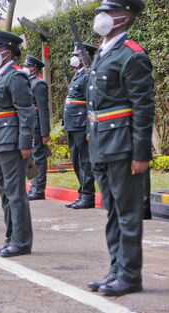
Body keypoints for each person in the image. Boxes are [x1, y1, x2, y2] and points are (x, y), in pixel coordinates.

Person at [86, 0, 154, 296]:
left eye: (108, 12)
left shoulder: (131, 54)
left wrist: (141, 154)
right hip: (103, 142)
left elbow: (143, 107)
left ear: (123, 17)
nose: (101, 17)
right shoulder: (105, 51)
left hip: (123, 145)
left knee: (127, 212)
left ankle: (130, 275)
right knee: (113, 210)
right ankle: (116, 270)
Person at [0, 30, 35, 257]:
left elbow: (26, 112)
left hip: (11, 141)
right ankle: (11, 237)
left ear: (8, 52)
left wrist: (25, 143)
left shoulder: (16, 76)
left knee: (15, 193)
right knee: (5, 193)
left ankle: (21, 241)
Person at [63, 42, 98, 209]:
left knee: (85, 162)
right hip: (72, 124)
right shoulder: (78, 74)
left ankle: (88, 196)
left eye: (77, 55)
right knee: (76, 161)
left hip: (81, 124)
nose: (74, 58)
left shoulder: (88, 76)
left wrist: (89, 128)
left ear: (86, 57)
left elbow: (92, 104)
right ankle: (82, 193)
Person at [23, 55, 50, 201]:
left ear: (34, 68)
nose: (25, 69)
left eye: (27, 67)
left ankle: (39, 189)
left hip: (37, 127)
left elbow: (43, 109)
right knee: (32, 158)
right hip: (29, 126)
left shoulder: (38, 84)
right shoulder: (28, 83)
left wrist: (45, 133)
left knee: (39, 158)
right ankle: (34, 187)